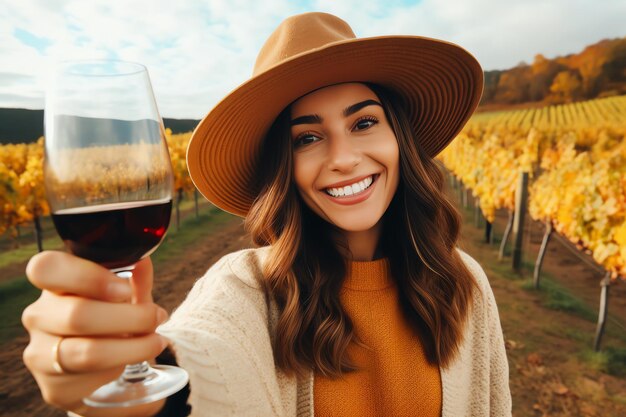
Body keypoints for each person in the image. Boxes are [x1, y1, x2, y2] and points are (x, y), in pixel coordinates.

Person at [21, 11, 512, 417]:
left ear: (399, 139)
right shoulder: (248, 287)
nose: (342, 157)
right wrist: (129, 379)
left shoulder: (464, 282)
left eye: (364, 122)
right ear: (285, 167)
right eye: (308, 138)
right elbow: (206, 354)